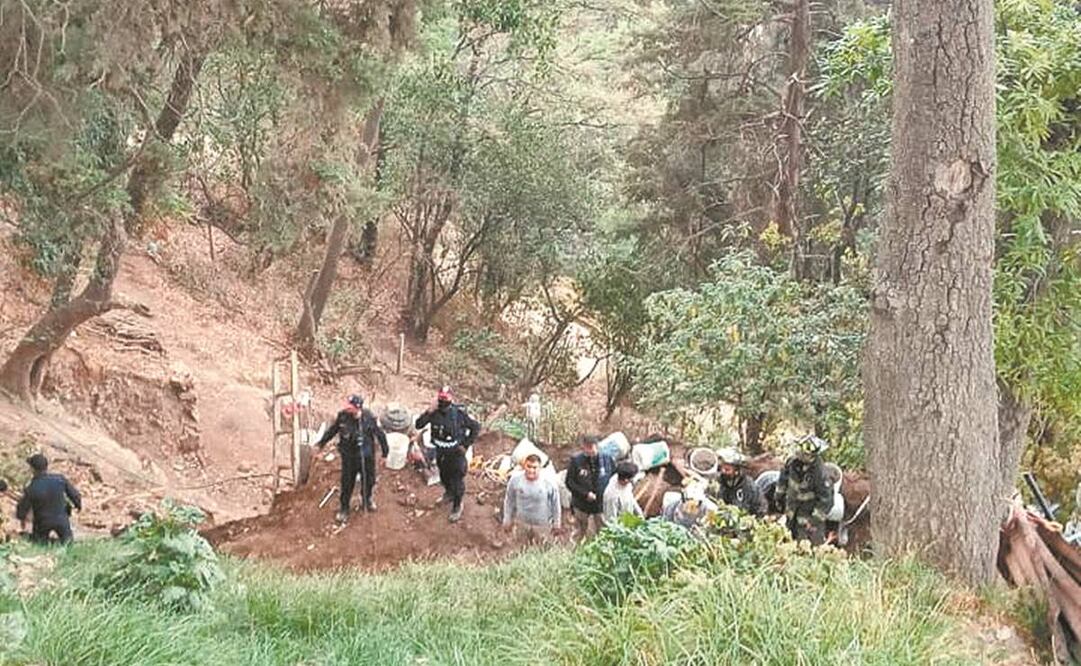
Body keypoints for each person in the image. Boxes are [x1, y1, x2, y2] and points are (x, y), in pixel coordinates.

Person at [315, 394, 388, 523]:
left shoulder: (369, 418)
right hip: (349, 457)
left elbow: (380, 435)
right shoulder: (342, 417)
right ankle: (344, 509)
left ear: (357, 408)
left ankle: (367, 500)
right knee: (347, 483)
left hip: (366, 457)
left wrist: (385, 453)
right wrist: (321, 444)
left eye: (350, 407)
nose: (346, 408)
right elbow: (332, 430)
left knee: (369, 481)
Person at [415, 386, 480, 523]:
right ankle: (448, 494)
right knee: (444, 477)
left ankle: (457, 505)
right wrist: (428, 411)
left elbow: (475, 427)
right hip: (440, 452)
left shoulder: (459, 414)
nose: (443, 401)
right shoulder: (434, 413)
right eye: (441, 398)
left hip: (456, 454)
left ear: (451, 398)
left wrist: (465, 445)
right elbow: (418, 425)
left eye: (446, 398)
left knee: (457, 481)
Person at [775, 435, 834, 545]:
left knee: (809, 553)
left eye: (804, 452)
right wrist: (779, 502)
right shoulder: (791, 463)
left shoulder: (820, 473)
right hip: (791, 518)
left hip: (808, 523)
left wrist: (813, 521)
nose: (799, 454)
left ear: (811, 455)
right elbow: (782, 484)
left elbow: (826, 501)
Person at [16, 454, 81, 544]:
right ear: (46, 467)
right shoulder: (59, 479)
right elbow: (75, 495)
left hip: (42, 522)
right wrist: (78, 505)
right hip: (61, 520)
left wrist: (22, 518)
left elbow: (22, 507)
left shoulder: (31, 487)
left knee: (39, 543)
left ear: (33, 469)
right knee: (68, 543)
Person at [502, 454, 561, 545]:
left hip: (542, 526)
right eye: (528, 466)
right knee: (520, 549)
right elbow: (509, 500)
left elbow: (555, 504)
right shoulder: (515, 480)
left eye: (534, 467)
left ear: (540, 468)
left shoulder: (549, 482)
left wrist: (557, 523)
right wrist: (507, 518)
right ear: (524, 465)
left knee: (541, 551)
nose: (531, 470)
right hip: (522, 524)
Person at [565, 434, 616, 540]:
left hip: (600, 504)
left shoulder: (607, 460)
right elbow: (569, 482)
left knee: (603, 532)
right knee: (579, 532)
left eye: (591, 447)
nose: (589, 451)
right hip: (581, 504)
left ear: (597, 446)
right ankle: (575, 552)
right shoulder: (576, 461)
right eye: (586, 448)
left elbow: (614, 478)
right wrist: (585, 494)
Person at [708, 448, 766, 517]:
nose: (723, 472)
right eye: (722, 468)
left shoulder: (750, 487)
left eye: (727, 470)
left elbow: (760, 508)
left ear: (736, 471)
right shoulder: (716, 483)